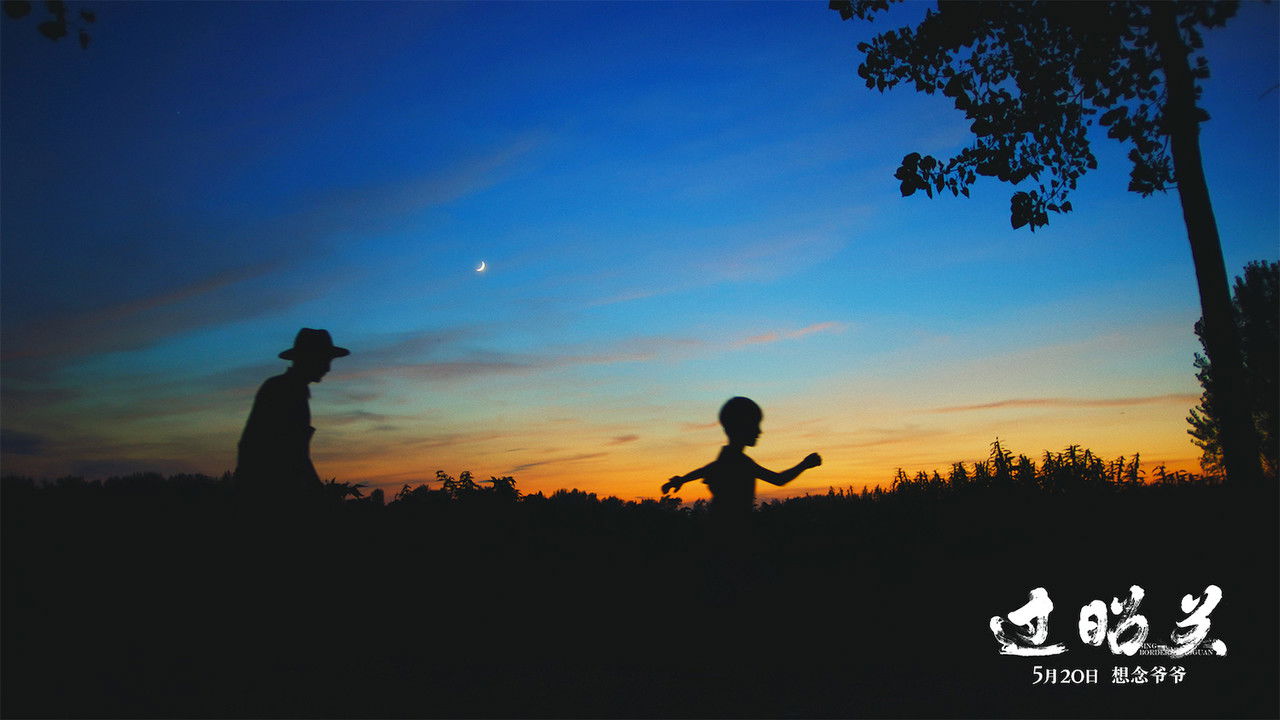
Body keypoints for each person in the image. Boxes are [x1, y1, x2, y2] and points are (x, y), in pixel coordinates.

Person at [662, 396, 821, 603]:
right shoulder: (740, 463)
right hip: (734, 542)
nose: (759, 431)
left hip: (724, 538)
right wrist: (804, 465)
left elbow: (706, 470)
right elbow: (778, 480)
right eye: (755, 425)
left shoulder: (729, 460)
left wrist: (682, 479)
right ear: (741, 427)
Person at [235, 328, 349, 495]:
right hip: (271, 493)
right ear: (310, 358)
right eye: (324, 359)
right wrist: (318, 492)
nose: (328, 368)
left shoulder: (286, 389)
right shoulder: (286, 391)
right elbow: (293, 453)